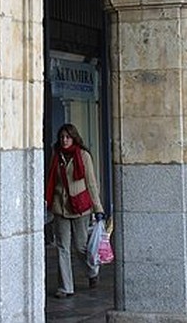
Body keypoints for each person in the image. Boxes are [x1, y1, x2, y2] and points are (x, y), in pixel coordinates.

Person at [44, 123, 104, 298]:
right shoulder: (56, 156)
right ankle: (65, 287)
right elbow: (51, 179)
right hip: (59, 206)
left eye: (67, 137)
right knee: (62, 247)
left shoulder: (83, 156)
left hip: (80, 207)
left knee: (80, 246)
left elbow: (91, 184)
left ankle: (92, 271)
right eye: (62, 137)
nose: (64, 140)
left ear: (74, 138)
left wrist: (97, 208)